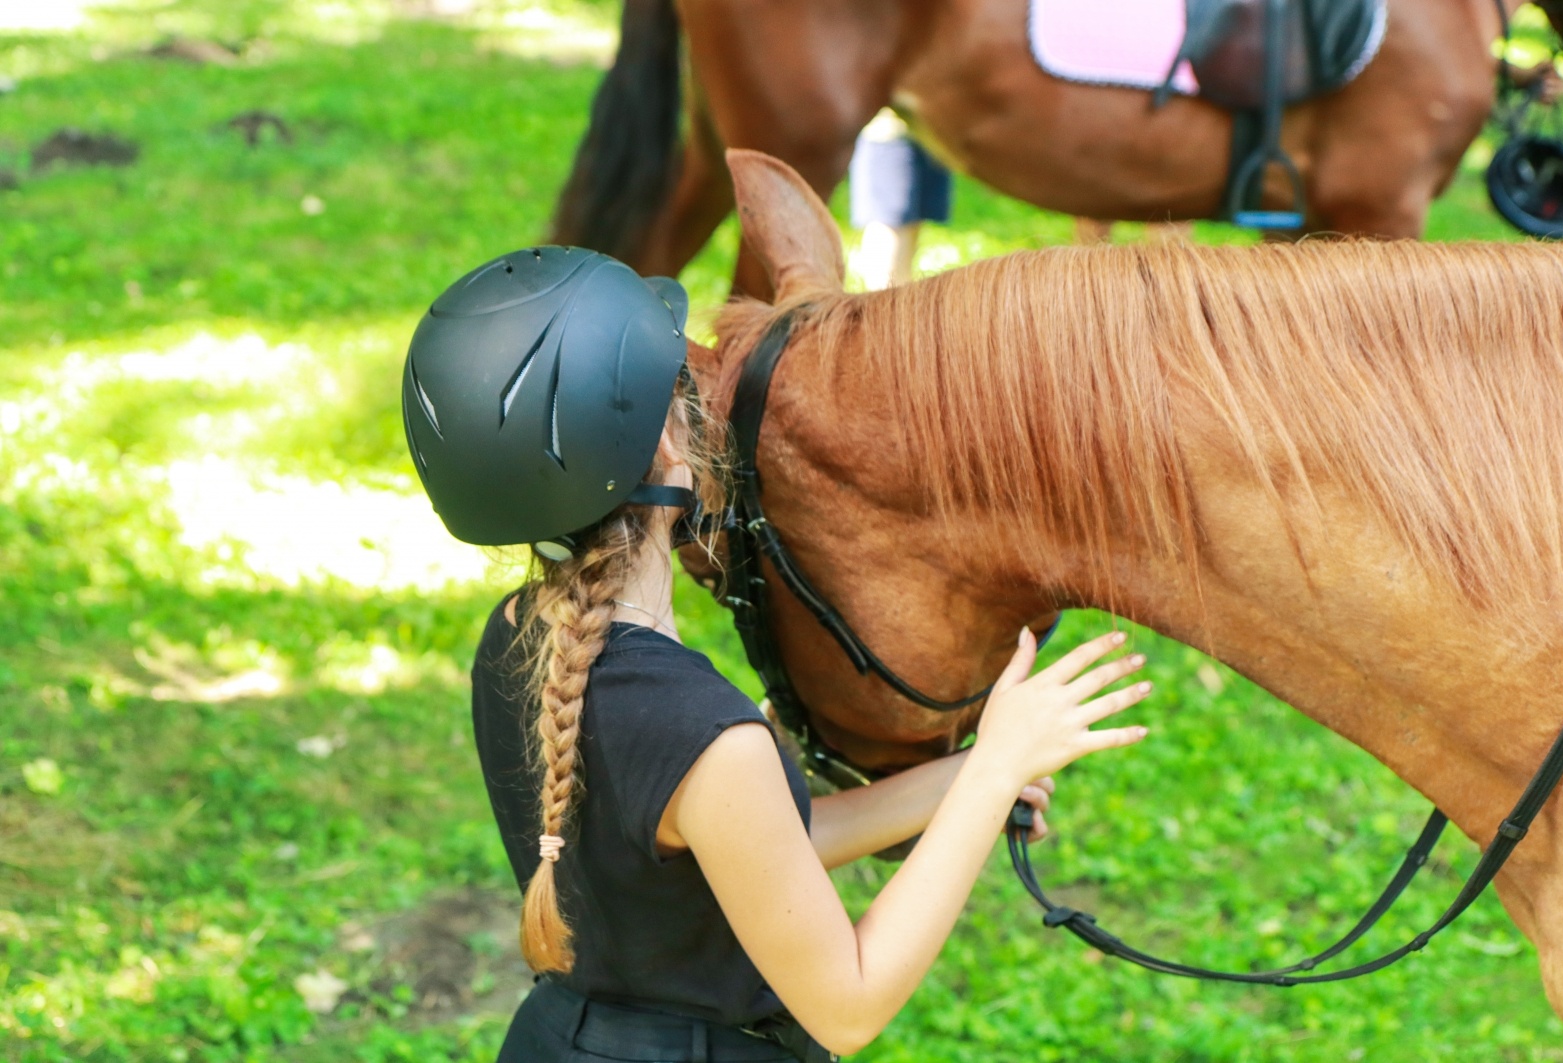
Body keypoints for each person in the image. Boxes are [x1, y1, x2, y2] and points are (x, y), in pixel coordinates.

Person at [401, 246, 1154, 1062]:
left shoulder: (514, 635)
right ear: (665, 446)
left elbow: (746, 855)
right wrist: (996, 768)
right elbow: (849, 1005)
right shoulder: (709, 738)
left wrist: (967, 777)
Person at [849, 110, 953, 289]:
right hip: (887, 135)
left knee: (909, 237)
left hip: (930, 136)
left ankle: (898, 312)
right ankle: (880, 314)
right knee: (888, 239)